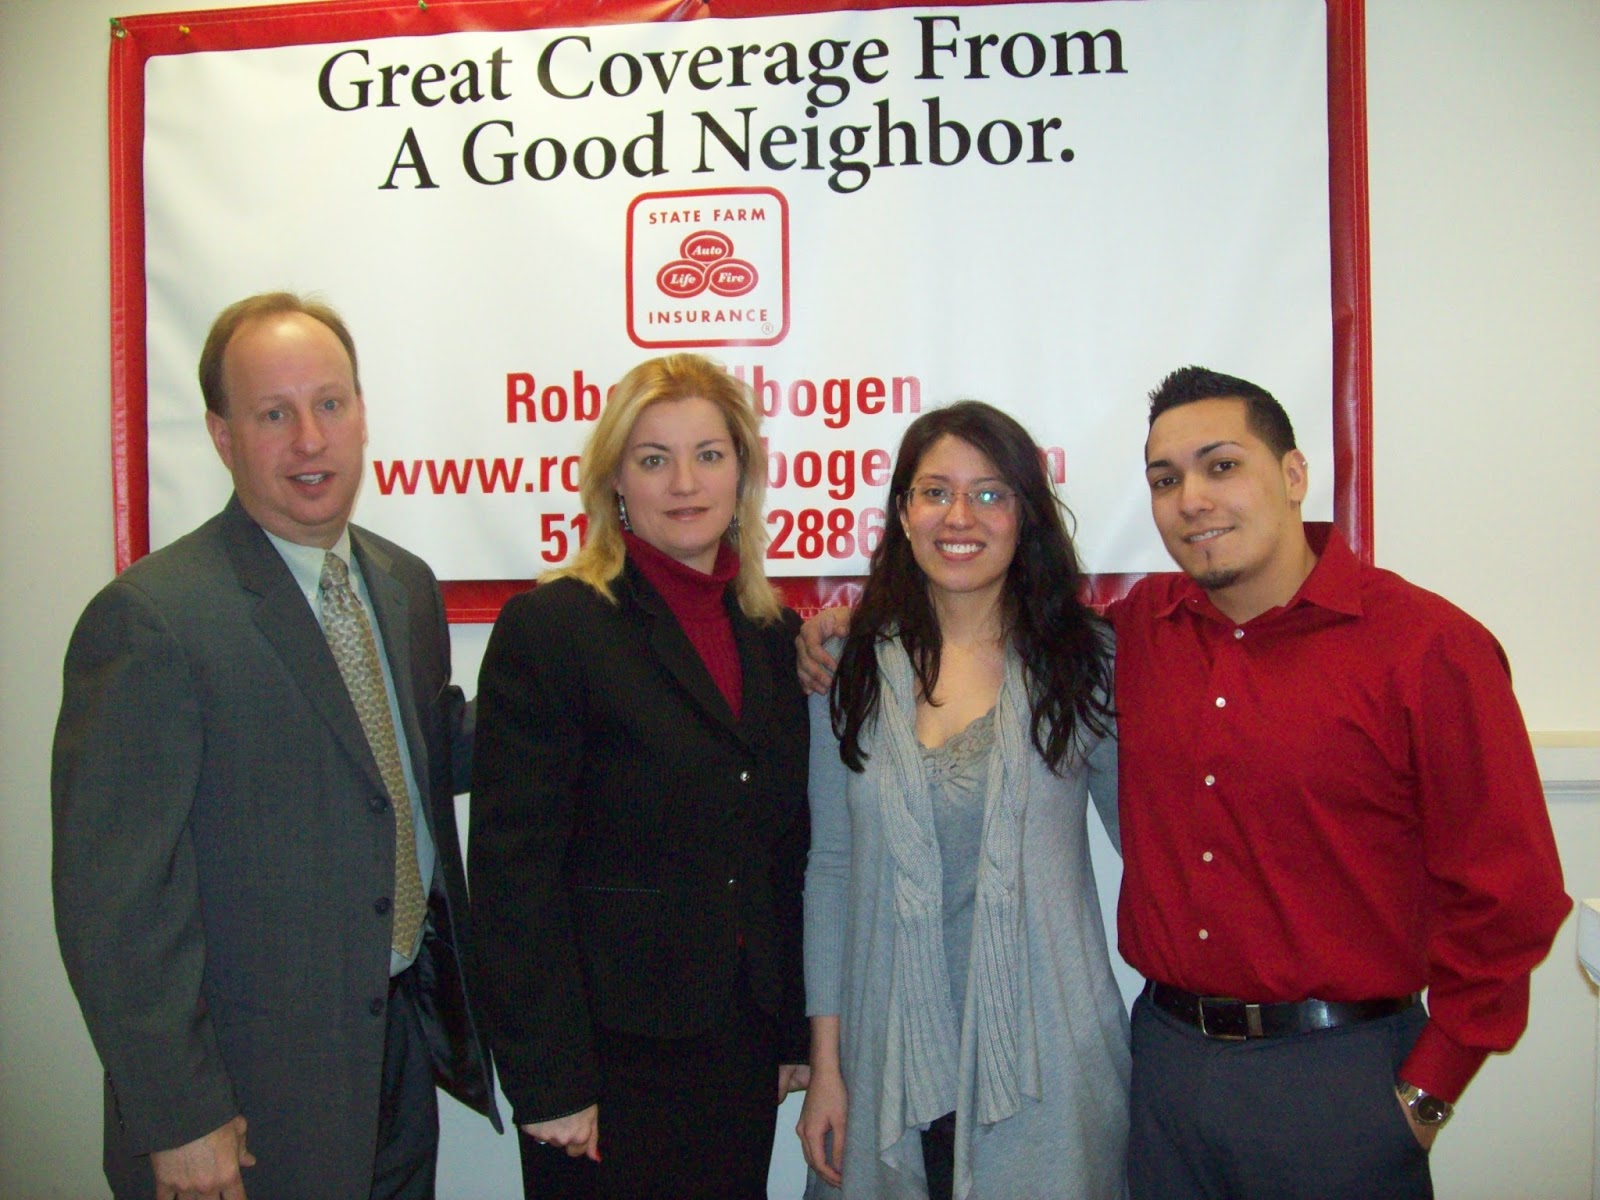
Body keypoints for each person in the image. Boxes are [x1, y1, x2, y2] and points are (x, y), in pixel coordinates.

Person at [798, 368, 1570, 1200]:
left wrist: (1426, 1090)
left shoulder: (1423, 648)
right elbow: (837, 859)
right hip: (1168, 1064)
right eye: (1166, 480)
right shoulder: (1139, 638)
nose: (1193, 499)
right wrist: (844, 621)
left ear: (1295, 475)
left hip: (1335, 1069)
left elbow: (1511, 894)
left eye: (1222, 466)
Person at [52, 292, 500, 1200]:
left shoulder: (403, 586)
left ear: (362, 414)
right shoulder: (151, 621)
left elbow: (414, 758)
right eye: (272, 414)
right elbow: (113, 905)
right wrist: (177, 1116)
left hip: (399, 1052)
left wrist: (597, 672)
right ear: (222, 436)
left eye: (330, 404)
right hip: (246, 1104)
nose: (309, 439)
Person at [467, 353, 811, 1200]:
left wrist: (791, 1029)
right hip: (605, 1065)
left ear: (744, 473)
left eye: (709, 454)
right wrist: (549, 1083)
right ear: (615, 479)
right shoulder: (553, 628)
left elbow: (782, 849)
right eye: (654, 458)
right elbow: (514, 879)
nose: (684, 482)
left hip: (738, 1047)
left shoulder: (771, 634)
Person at [796, 401, 1128, 1200]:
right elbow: (833, 870)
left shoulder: (1088, 664)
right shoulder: (846, 667)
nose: (959, 516)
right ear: (903, 514)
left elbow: (1153, 839)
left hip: (1049, 1061)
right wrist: (827, 1069)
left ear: (1026, 516)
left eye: (990, 494)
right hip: (884, 1063)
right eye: (934, 491)